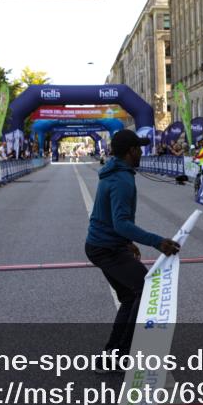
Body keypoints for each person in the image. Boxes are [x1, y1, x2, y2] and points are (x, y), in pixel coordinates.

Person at [85, 130, 182, 360]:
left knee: (130, 297)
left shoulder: (115, 172)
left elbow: (111, 218)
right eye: (139, 148)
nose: (141, 152)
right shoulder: (122, 180)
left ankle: (112, 354)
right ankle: (121, 354)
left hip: (104, 244)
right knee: (146, 290)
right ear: (131, 151)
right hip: (106, 248)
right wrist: (158, 242)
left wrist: (127, 242)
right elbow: (121, 223)